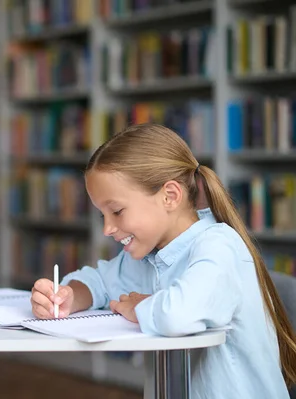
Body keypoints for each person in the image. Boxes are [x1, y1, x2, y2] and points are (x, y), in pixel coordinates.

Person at [30, 123, 296, 398]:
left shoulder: (218, 246)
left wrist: (139, 306)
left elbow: (178, 315)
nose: (107, 229)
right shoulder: (147, 255)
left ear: (170, 196)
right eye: (102, 216)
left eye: (117, 211)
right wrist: (69, 295)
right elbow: (98, 281)